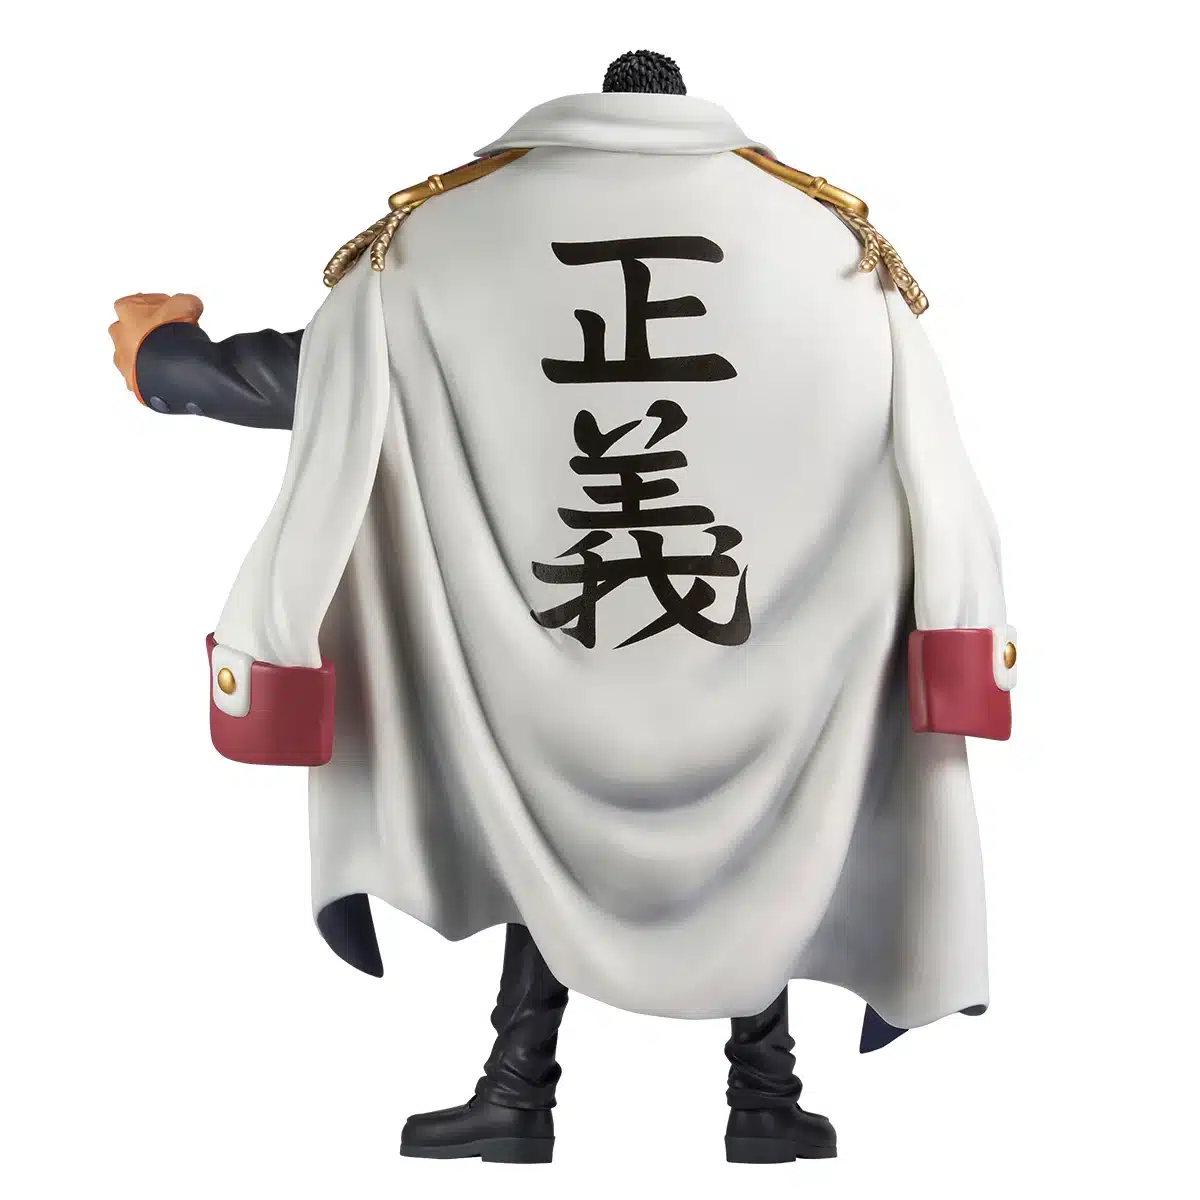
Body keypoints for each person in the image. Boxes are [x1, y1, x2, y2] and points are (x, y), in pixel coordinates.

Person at [109, 50, 1016, 1165]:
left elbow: (325, 378)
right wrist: (959, 630)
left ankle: (521, 1092)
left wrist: (164, 356)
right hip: (763, 657)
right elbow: (929, 457)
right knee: (762, 839)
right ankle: (761, 1096)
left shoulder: (446, 236)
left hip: (541, 649)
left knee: (539, 828)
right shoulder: (832, 250)